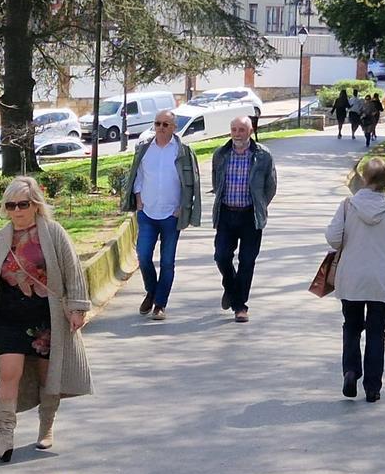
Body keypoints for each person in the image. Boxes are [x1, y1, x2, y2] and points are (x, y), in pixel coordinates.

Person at [0, 177, 92, 461]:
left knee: (48, 375)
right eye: (10, 205)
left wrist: (77, 308)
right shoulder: (0, 238)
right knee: (8, 374)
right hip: (9, 315)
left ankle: (46, 427)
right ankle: (3, 437)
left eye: (23, 204)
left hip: (45, 317)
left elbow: (72, 271)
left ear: (35, 205)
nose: (17, 211)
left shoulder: (54, 232)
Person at [325, 157, 385, 402]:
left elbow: (333, 238)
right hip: (382, 281)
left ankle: (351, 371)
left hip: (351, 278)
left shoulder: (348, 206)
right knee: (377, 332)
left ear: (364, 178)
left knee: (351, 326)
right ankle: (373, 387)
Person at [119, 108, 201, 320]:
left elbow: (191, 183)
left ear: (174, 128)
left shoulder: (183, 152)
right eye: (157, 124)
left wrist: (183, 206)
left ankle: (160, 304)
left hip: (171, 215)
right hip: (147, 212)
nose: (161, 128)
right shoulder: (144, 148)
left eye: (165, 124)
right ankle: (151, 291)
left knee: (167, 262)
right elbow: (137, 176)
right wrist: (138, 199)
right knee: (144, 256)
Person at [211, 115, 278, 322]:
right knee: (221, 256)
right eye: (234, 130)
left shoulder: (263, 155)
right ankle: (231, 288)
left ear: (250, 131)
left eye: (242, 130)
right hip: (226, 213)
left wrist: (260, 205)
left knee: (247, 261)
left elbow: (271, 186)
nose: (237, 134)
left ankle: (240, 306)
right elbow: (216, 182)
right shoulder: (221, 154)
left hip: (250, 216)